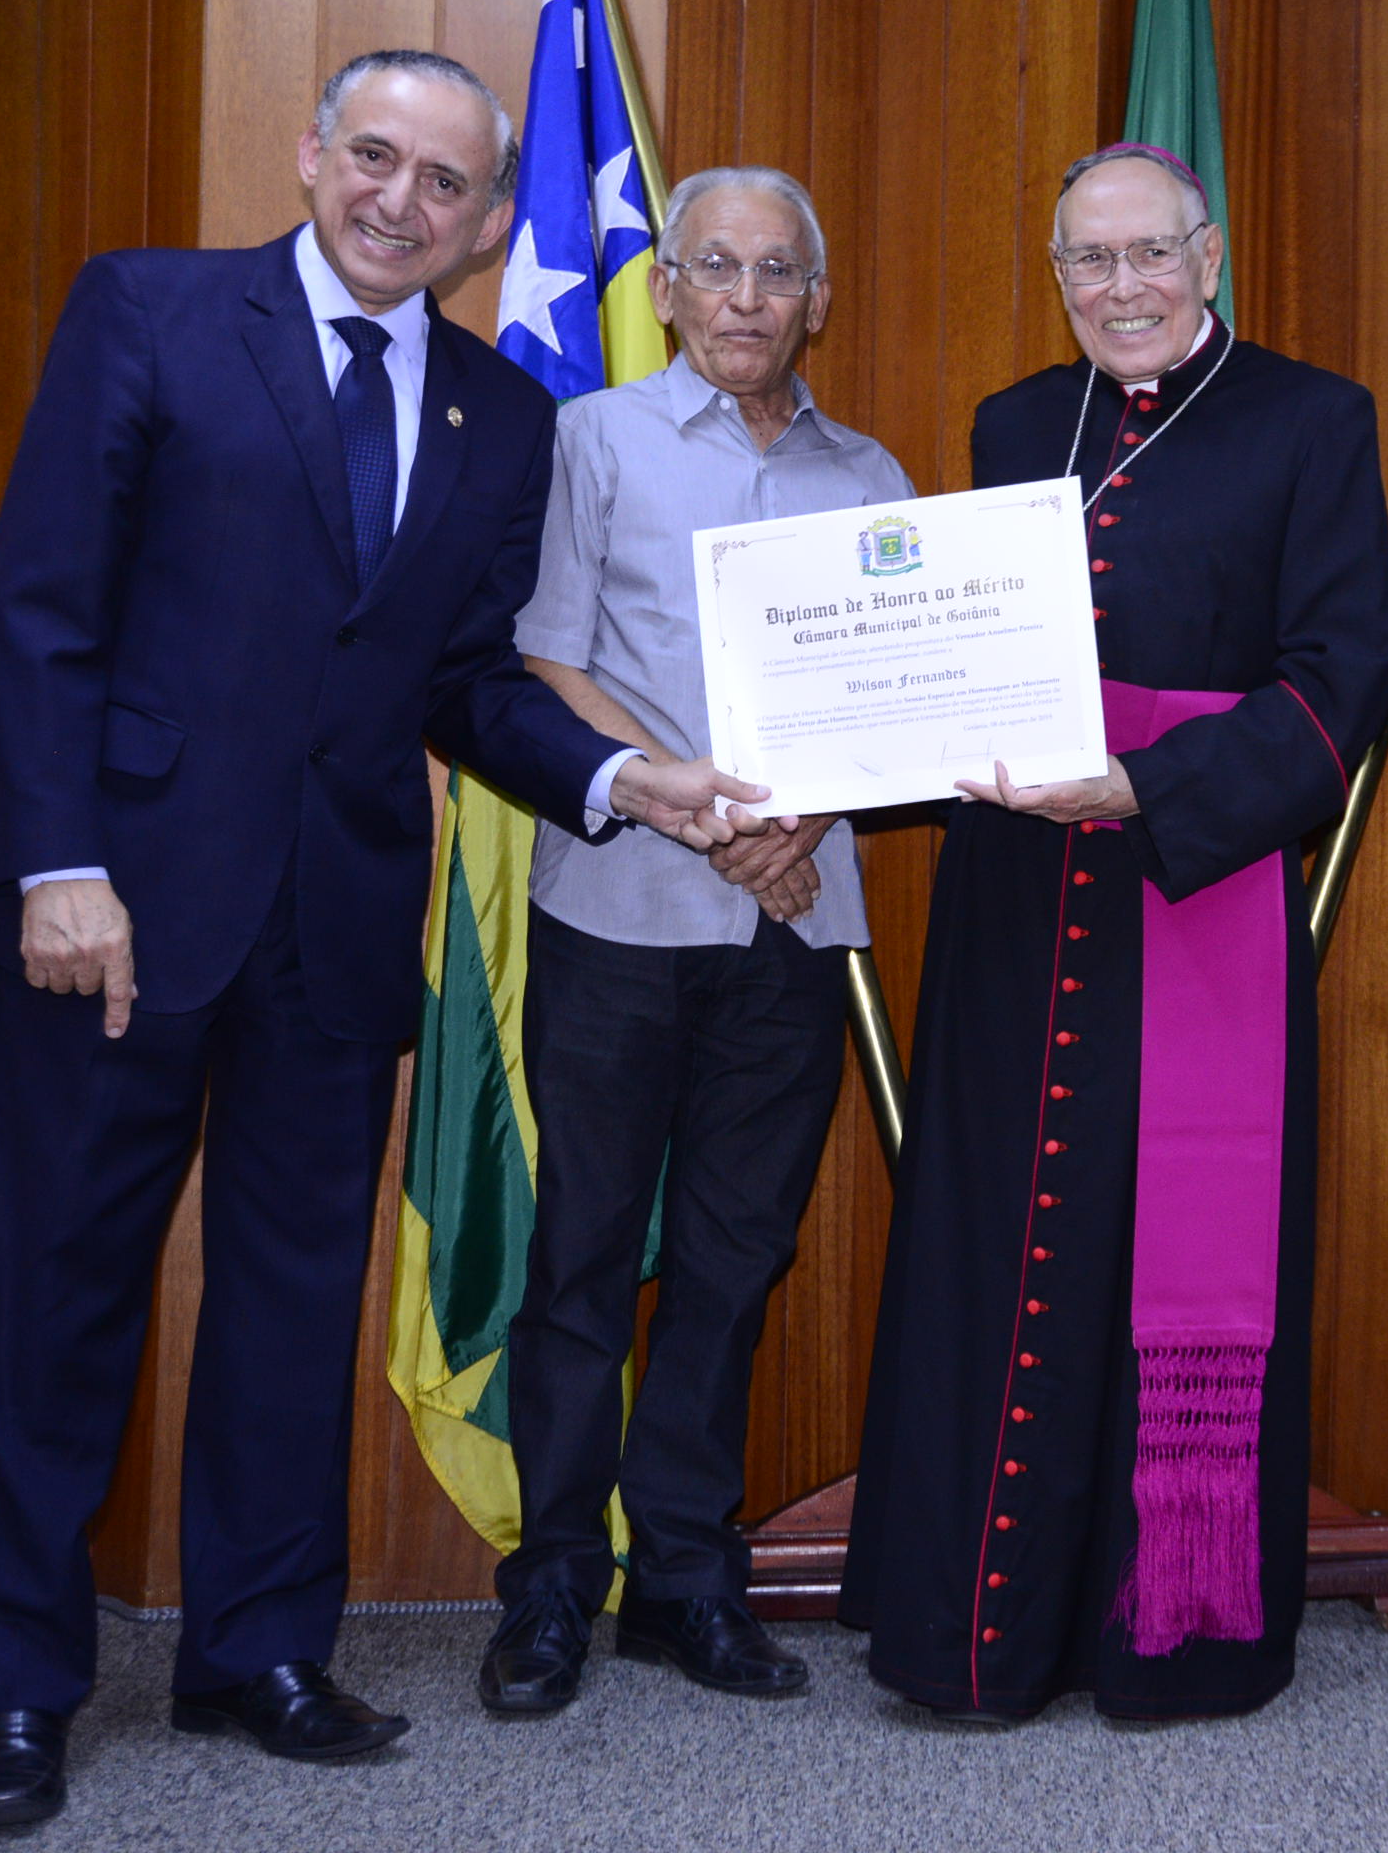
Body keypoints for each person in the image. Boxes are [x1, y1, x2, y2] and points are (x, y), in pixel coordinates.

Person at [0, 50, 759, 1829]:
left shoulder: (499, 414)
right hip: (116, 912)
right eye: (375, 157)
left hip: (336, 926)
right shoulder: (151, 313)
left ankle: (258, 1652)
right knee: (46, 1300)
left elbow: (467, 683)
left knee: (293, 1309)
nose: (401, 200)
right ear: (312, 155)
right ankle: (10, 1693)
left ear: (484, 225)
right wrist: (58, 862)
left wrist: (627, 778)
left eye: (445, 183)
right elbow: (42, 605)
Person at [829, 143, 1388, 1724]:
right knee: (1001, 1237)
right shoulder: (1017, 423)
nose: (1123, 287)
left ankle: (1170, 1635)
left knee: (1166, 1255)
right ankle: (978, 1632)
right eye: (1090, 260)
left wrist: (1148, 785)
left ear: (1209, 259)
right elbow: (950, 654)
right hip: (1020, 893)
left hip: (1194, 881)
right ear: (1059, 275)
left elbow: (1339, 680)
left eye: (1152, 254)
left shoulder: (1313, 419)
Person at [473, 167, 910, 1716]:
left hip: (798, 922)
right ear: (666, 290)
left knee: (734, 1260)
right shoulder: (591, 439)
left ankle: (682, 1582)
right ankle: (550, 1588)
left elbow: (904, 696)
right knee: (584, 1257)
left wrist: (809, 816)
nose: (745, 296)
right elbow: (543, 662)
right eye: (715, 266)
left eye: (777, 271)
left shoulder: (871, 476)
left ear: (817, 300)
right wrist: (709, 819)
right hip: (621, 910)